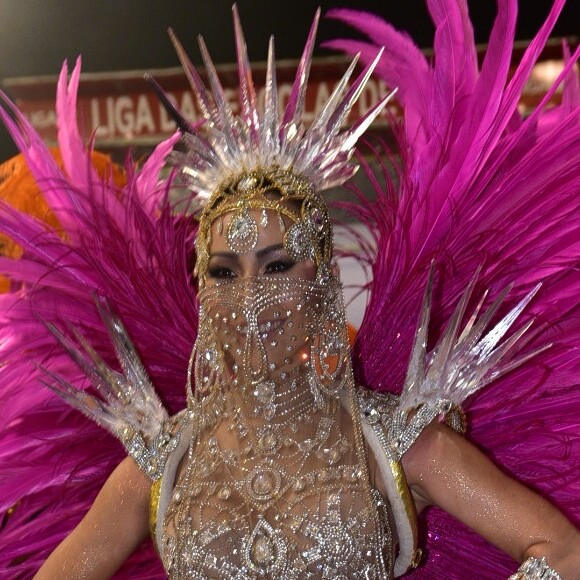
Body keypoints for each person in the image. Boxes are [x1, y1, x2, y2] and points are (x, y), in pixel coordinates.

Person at [0, 2, 579, 579]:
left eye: (277, 267)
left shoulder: (390, 441)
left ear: (322, 282)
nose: (251, 296)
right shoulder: (163, 463)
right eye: (225, 272)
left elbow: (562, 550)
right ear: (201, 292)